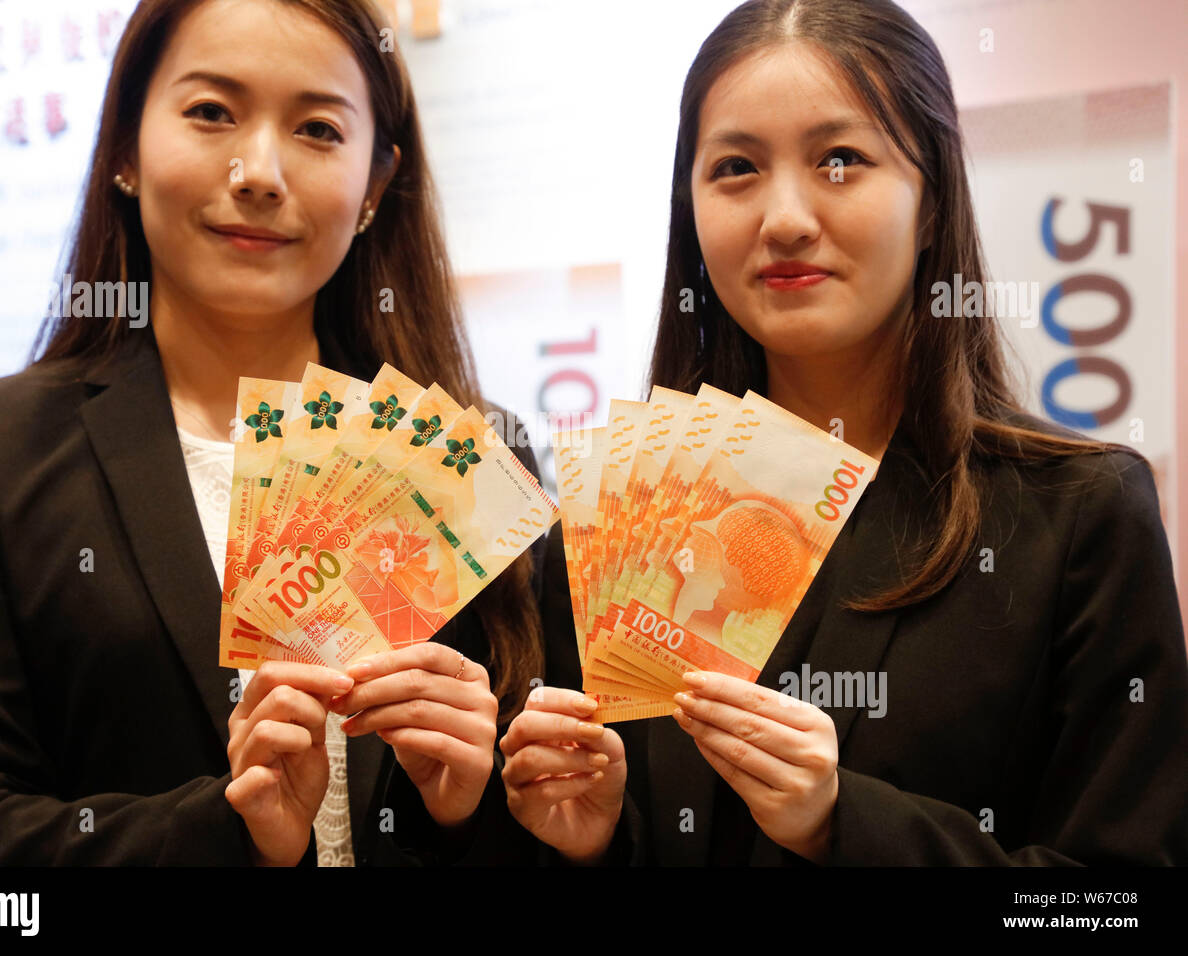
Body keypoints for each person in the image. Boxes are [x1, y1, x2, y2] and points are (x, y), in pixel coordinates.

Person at [500, 0, 1188, 865]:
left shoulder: (1080, 514)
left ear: (932, 202)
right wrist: (590, 844)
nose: (784, 217)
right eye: (737, 168)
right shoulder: (613, 529)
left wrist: (844, 825)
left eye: (840, 160)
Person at [0, 0, 550, 866]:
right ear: (125, 143)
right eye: (211, 112)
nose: (260, 171)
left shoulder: (472, 452)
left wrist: (467, 812)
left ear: (376, 185)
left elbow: (553, 815)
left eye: (318, 128)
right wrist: (230, 835)